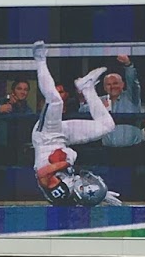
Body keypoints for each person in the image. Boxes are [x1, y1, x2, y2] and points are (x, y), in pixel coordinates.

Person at [30, 40, 120, 206]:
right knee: (107, 126)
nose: (86, 183)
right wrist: (101, 194)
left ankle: (40, 59)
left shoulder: (61, 193)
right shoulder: (74, 191)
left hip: (46, 138)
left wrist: (66, 162)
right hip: (63, 139)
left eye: (86, 187)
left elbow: (42, 174)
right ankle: (87, 87)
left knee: (56, 101)